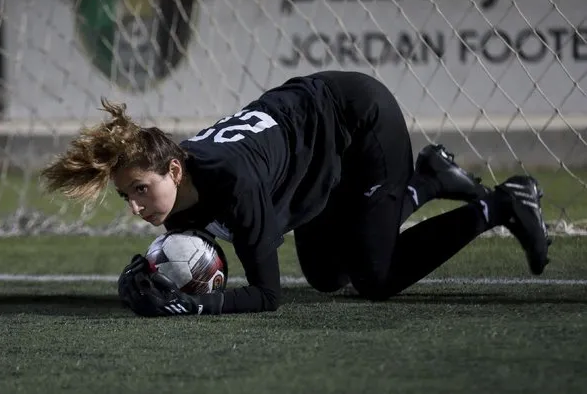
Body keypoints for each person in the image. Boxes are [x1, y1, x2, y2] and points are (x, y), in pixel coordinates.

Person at [40, 71, 551, 317]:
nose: (134, 207)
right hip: (310, 162)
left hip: (358, 122)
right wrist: (154, 278)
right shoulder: (180, 198)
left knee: (375, 276)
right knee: (328, 275)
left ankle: (501, 203)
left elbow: (267, 297)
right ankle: (432, 178)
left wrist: (192, 307)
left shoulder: (233, 184)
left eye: (140, 190)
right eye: (126, 196)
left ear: (175, 169)